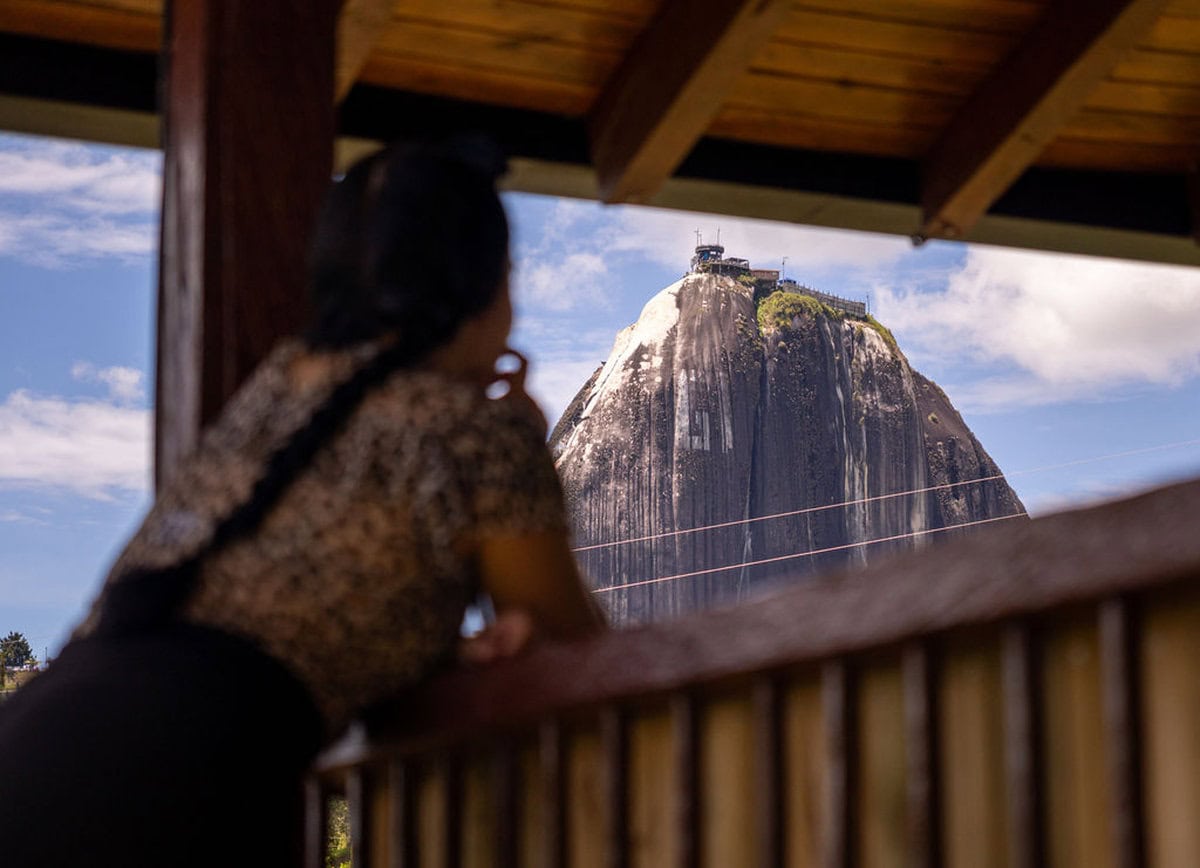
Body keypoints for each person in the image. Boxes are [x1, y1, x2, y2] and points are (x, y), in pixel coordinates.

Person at [0, 138, 604, 866]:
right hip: (168, 791)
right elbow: (578, 650)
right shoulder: (482, 434)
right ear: (489, 286)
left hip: (38, 738)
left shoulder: (277, 387)